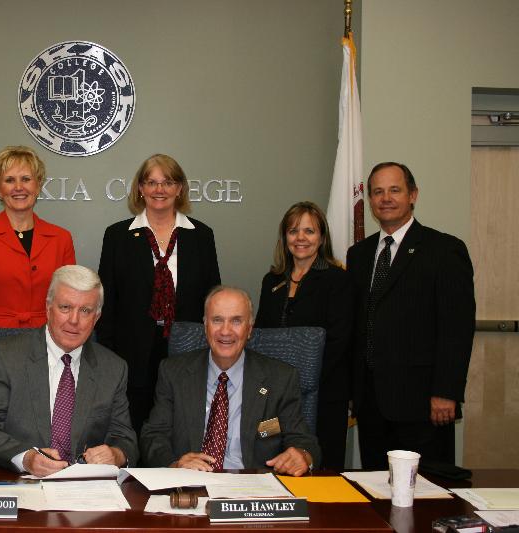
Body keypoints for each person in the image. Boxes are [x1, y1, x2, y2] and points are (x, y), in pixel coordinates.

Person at [346, 162, 475, 470]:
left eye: (394, 190)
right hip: (371, 403)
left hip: (424, 404)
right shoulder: (359, 255)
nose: (385, 198)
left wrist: (446, 392)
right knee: (376, 489)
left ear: (413, 195)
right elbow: (358, 325)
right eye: (378, 192)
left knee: (429, 496)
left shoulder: (444, 250)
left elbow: (456, 328)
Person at [0, 265, 138, 476]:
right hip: (17, 485)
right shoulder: (5, 357)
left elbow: (125, 438)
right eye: (65, 307)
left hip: (83, 494)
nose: (74, 320)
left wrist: (116, 454)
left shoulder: (113, 368)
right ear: (48, 308)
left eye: (85, 311)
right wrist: (25, 458)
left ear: (96, 317)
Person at [97, 154, 220, 434]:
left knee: (181, 426)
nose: (159, 189)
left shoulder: (201, 236)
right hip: (132, 353)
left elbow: (212, 298)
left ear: (179, 188)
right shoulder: (117, 236)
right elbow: (107, 302)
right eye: (151, 182)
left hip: (187, 349)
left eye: (168, 182)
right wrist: (108, 356)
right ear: (140, 188)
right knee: (135, 429)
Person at [140, 286, 319, 476]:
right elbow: (153, 436)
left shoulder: (280, 378)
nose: (225, 331)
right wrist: (175, 464)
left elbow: (303, 440)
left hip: (253, 488)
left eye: (236, 321)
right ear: (205, 325)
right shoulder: (173, 373)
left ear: (249, 328)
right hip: (192, 483)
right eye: (217, 320)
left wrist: (303, 455)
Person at [255, 201, 353, 471]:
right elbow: (262, 337)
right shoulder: (271, 280)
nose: (300, 238)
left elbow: (338, 341)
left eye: (309, 231)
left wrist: (301, 379)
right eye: (293, 231)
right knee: (275, 456)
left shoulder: (338, 279)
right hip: (276, 394)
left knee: (321, 465)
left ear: (321, 238)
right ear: (284, 236)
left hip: (324, 391)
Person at [0, 145, 75, 327]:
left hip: (46, 340)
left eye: (26, 179)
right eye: (10, 180)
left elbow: (69, 301)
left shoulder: (61, 238)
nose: (18, 187)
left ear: (38, 184)